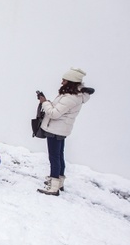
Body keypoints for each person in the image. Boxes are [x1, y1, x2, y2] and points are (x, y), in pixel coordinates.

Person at [37, 67, 94, 196]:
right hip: (61, 129)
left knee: (54, 157)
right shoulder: (74, 95)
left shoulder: (70, 97)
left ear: (71, 82)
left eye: (64, 80)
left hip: (55, 130)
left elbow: (54, 114)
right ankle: (59, 182)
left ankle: (53, 187)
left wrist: (44, 102)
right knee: (59, 156)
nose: (62, 82)